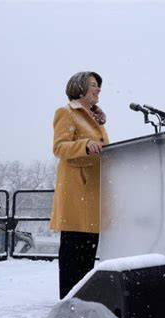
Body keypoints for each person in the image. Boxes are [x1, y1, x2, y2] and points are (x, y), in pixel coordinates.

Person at [49, 71, 109, 299]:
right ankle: (69, 300)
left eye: (98, 85)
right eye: (93, 85)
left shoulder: (95, 119)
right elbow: (60, 147)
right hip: (77, 194)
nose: (98, 89)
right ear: (80, 88)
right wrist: (85, 144)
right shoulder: (66, 113)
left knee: (87, 253)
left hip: (94, 193)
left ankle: (84, 298)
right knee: (74, 253)